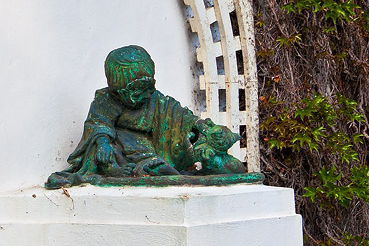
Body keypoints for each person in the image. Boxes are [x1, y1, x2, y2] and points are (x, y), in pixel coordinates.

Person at [45, 45, 245, 189]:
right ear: (119, 90)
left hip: (151, 148)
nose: (147, 94)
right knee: (103, 147)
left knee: (160, 159)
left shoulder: (155, 99)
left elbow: (177, 112)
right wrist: (103, 142)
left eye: (149, 88)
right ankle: (119, 170)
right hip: (121, 148)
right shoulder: (105, 100)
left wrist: (197, 125)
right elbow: (98, 123)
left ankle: (164, 169)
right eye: (138, 90)